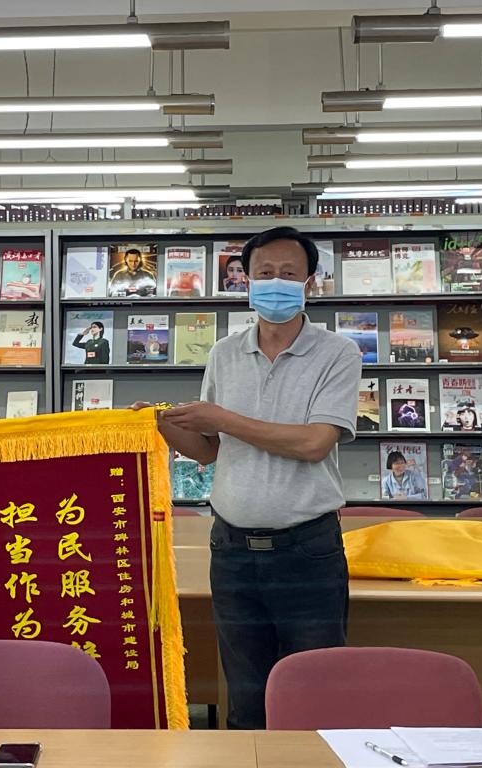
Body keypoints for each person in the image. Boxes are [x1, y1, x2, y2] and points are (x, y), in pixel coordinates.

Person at [140, 226, 361, 729]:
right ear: (247, 280)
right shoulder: (224, 353)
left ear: (310, 281)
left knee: (314, 692)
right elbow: (209, 450)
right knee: (245, 697)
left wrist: (223, 418)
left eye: (289, 273)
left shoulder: (338, 353)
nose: (275, 282)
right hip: (232, 550)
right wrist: (160, 424)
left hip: (307, 549)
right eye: (265, 273)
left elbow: (314, 443)